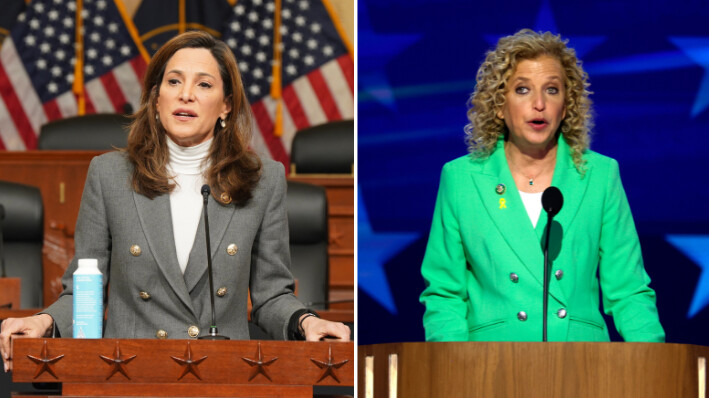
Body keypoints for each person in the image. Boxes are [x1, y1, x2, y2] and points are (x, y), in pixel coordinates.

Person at [1, 31, 349, 372]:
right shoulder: (109, 175)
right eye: (173, 82)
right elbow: (83, 291)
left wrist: (306, 322)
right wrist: (44, 320)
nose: (186, 95)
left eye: (204, 84)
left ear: (226, 104)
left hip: (223, 376)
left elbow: (271, 295)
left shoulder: (262, 180)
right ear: (155, 99)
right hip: (128, 373)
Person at [419, 29, 664, 342]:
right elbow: (444, 294)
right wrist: (454, 369)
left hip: (583, 369)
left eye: (551, 90)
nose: (539, 104)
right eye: (522, 90)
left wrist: (653, 364)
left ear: (566, 105)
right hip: (490, 371)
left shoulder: (600, 175)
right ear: (498, 105)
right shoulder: (461, 179)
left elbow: (629, 291)